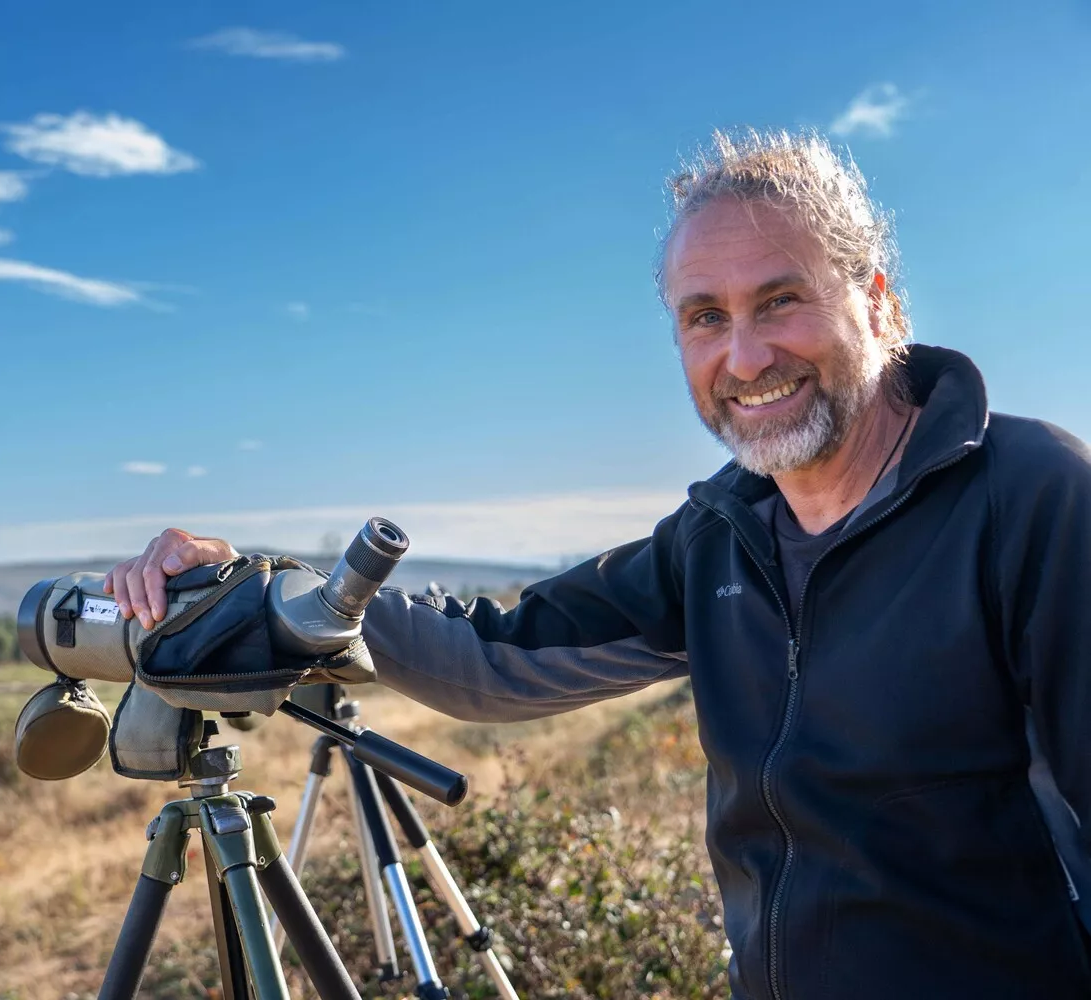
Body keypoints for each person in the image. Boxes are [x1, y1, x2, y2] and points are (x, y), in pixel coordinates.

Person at [102, 129, 1091, 999]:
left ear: (874, 301)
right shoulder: (718, 536)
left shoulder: (1029, 497)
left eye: (780, 301)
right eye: (704, 315)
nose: (744, 358)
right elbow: (498, 653)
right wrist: (270, 588)